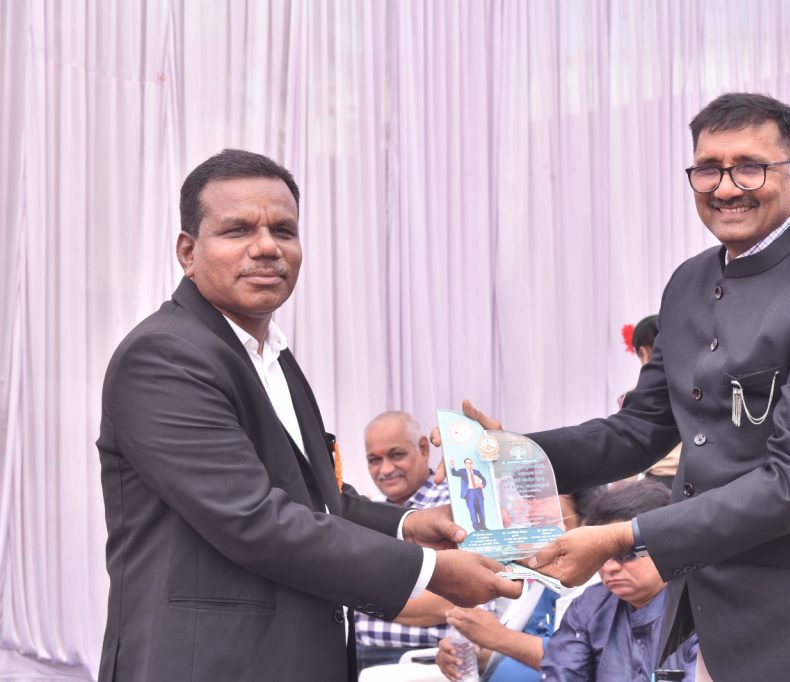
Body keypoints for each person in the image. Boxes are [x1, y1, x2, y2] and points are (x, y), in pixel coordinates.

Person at [442, 93, 790, 681]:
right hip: (711, 623)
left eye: (750, 167)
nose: (726, 188)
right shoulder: (689, 282)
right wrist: (511, 453)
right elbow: (638, 430)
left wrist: (624, 536)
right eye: (708, 169)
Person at [96, 149, 520, 682]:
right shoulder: (164, 356)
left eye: (284, 230)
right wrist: (431, 570)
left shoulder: (272, 355)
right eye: (237, 230)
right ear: (188, 251)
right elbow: (253, 518)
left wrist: (408, 524)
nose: (266, 247)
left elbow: (312, 496)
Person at [540, 480, 697, 682]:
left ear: (666, 546)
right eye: (600, 556)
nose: (609, 567)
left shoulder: (703, 610)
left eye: (625, 554)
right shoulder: (589, 606)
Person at [436, 492, 597, 682]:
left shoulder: (601, 588)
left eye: (548, 523)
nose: (536, 534)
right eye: (532, 524)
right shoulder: (538, 581)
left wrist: (498, 636)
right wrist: (465, 655)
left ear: (585, 524)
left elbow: (579, 661)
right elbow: (510, 656)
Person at [356, 411, 457, 670]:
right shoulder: (368, 512)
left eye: (396, 454)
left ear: (423, 448)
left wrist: (351, 591)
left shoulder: (453, 505)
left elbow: (453, 599)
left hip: (427, 662)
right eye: (374, 460)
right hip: (356, 658)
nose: (386, 469)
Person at [622, 315, 680, 488]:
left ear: (644, 352)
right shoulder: (696, 385)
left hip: (658, 483)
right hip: (697, 484)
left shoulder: (638, 396)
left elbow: (630, 447)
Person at [450, 457, 489, 530]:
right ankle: (476, 527)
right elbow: (454, 473)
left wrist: (482, 485)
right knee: (472, 511)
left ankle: (483, 526)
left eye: (471, 463)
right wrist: (452, 466)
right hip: (469, 493)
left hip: (478, 492)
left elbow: (484, 480)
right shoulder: (462, 471)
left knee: (481, 510)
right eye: (468, 463)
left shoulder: (477, 472)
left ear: (472, 464)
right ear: (465, 464)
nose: (469, 465)